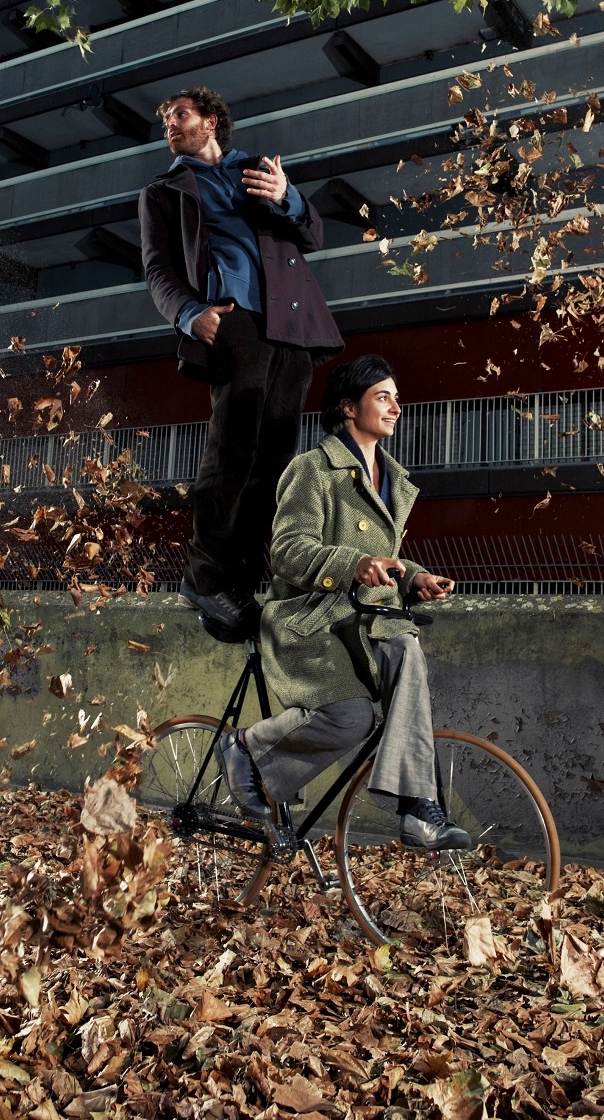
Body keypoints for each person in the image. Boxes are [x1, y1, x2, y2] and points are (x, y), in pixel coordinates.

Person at [213, 354, 471, 850]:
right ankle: (245, 746)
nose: (396, 407)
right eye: (383, 397)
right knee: (352, 716)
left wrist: (415, 577)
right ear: (348, 407)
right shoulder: (313, 469)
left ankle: (417, 808)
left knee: (406, 648)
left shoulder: (392, 478)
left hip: (365, 620)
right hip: (310, 622)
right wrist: (353, 563)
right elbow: (288, 550)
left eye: (396, 398)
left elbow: (379, 554)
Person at [139, 86, 342, 636]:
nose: (170, 124)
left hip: (290, 322)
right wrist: (190, 314)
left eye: (180, 114)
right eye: (166, 118)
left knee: (275, 457)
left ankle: (244, 580)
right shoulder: (163, 191)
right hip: (233, 320)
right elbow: (158, 269)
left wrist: (288, 196)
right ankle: (204, 580)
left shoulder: (258, 171)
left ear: (211, 121)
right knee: (233, 448)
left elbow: (313, 235)